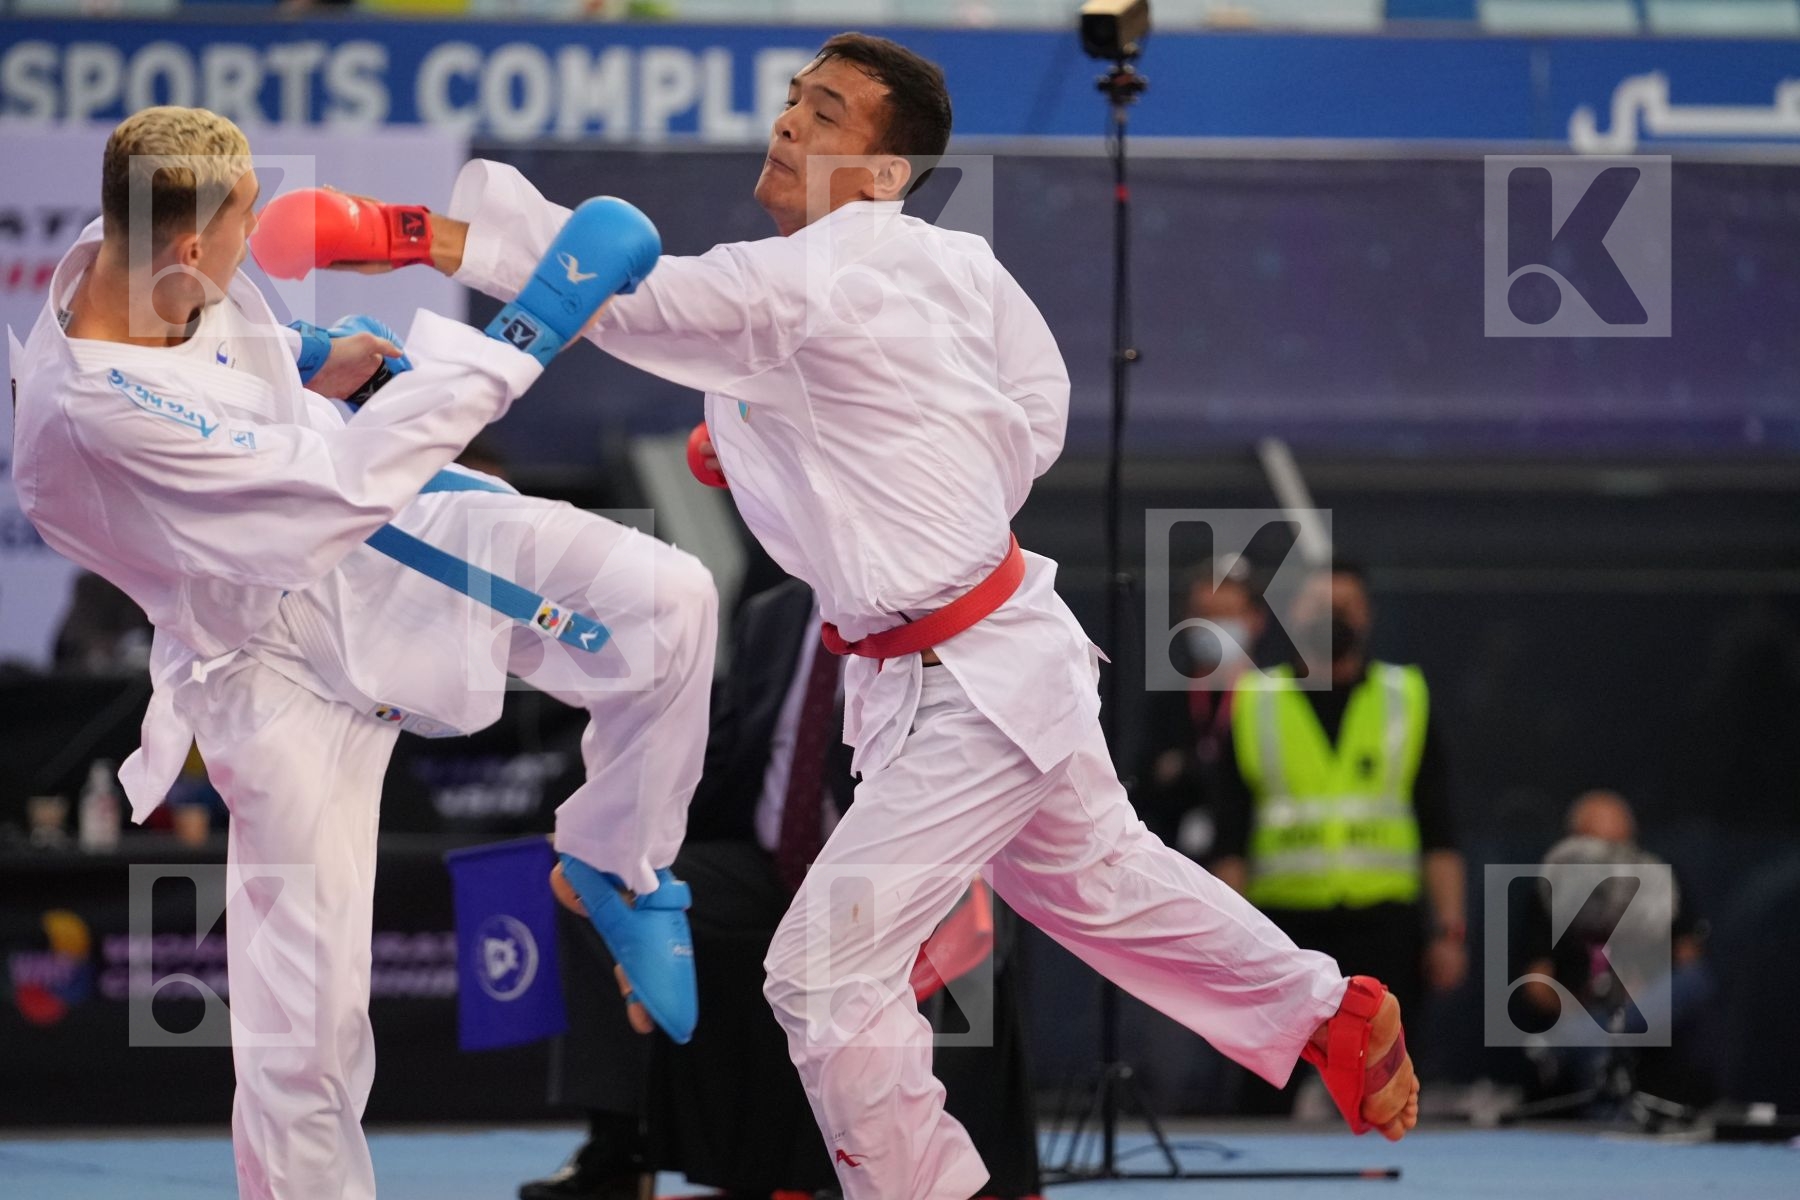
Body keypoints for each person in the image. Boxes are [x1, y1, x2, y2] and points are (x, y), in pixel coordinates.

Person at [260, 32, 1419, 1199]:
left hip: (970, 680)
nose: (788, 124)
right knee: (1101, 878)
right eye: (792, 101)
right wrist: (819, 452)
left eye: (825, 114)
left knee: (822, 975)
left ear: (883, 172)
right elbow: (1032, 410)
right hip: (982, 650)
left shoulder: (816, 276)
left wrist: (414, 234)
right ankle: (1328, 1012)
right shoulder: (955, 264)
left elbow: (633, 295)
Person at [9, 107, 716, 1200]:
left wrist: (309, 354)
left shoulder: (134, 250)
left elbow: (222, 332)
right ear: (189, 245)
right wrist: (531, 328)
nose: (251, 248)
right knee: (308, 1023)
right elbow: (331, 491)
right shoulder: (96, 411)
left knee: (671, 601)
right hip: (266, 664)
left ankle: (614, 862)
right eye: (241, 229)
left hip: (384, 543)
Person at [525, 577, 1041, 1200]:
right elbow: (724, 755)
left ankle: (898, 1169)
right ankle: (620, 1149)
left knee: (930, 940)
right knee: (598, 883)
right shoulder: (769, 614)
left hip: (887, 863)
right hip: (764, 865)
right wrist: (625, 838)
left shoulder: (928, 603)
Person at [1212, 561, 1467, 1110]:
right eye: (1318, 607)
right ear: (1292, 615)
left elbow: (1439, 827)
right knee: (1262, 1096)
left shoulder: (1405, 696)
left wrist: (1449, 931)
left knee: (1388, 1095)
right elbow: (1230, 836)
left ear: (1367, 616)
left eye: (1345, 607)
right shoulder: (1254, 699)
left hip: (1385, 929)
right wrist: (1230, 942)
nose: (1332, 618)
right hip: (1283, 931)